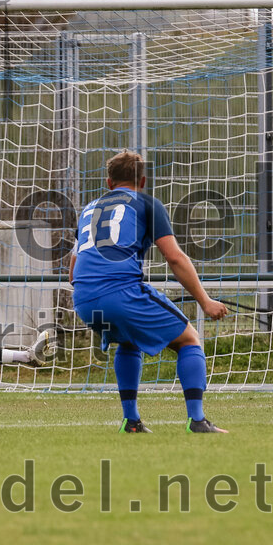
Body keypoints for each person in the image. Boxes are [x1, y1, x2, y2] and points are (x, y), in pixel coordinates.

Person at [70, 151, 229, 434]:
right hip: (119, 291)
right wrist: (205, 301)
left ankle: (131, 421)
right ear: (142, 181)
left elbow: (72, 270)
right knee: (189, 339)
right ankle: (197, 420)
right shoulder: (146, 204)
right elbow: (175, 257)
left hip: (83, 299)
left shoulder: (88, 209)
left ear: (109, 182)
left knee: (128, 341)